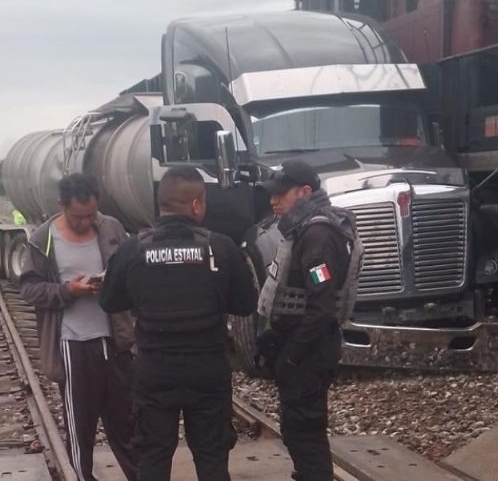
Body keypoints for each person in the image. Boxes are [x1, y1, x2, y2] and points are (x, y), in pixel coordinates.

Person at [100, 166, 257, 481]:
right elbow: (246, 304)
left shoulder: (133, 249)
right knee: (212, 458)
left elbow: (110, 301)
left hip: (155, 370)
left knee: (153, 457)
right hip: (207, 369)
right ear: (197, 205)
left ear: (161, 204)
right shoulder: (221, 247)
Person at [19, 173, 138, 481]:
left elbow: (130, 272)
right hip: (73, 344)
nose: (86, 222)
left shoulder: (111, 228)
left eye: (91, 215)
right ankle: (82, 476)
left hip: (115, 340)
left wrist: (111, 284)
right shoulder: (42, 239)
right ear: (62, 206)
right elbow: (30, 289)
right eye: (78, 216)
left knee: (126, 422)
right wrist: (66, 291)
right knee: (80, 426)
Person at [258, 159, 360, 481]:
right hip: (305, 347)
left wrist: (292, 354)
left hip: (310, 352)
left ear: (304, 192)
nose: (274, 201)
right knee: (298, 430)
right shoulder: (305, 229)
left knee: (305, 432)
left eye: (281, 194)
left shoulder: (317, 235)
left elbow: (322, 304)